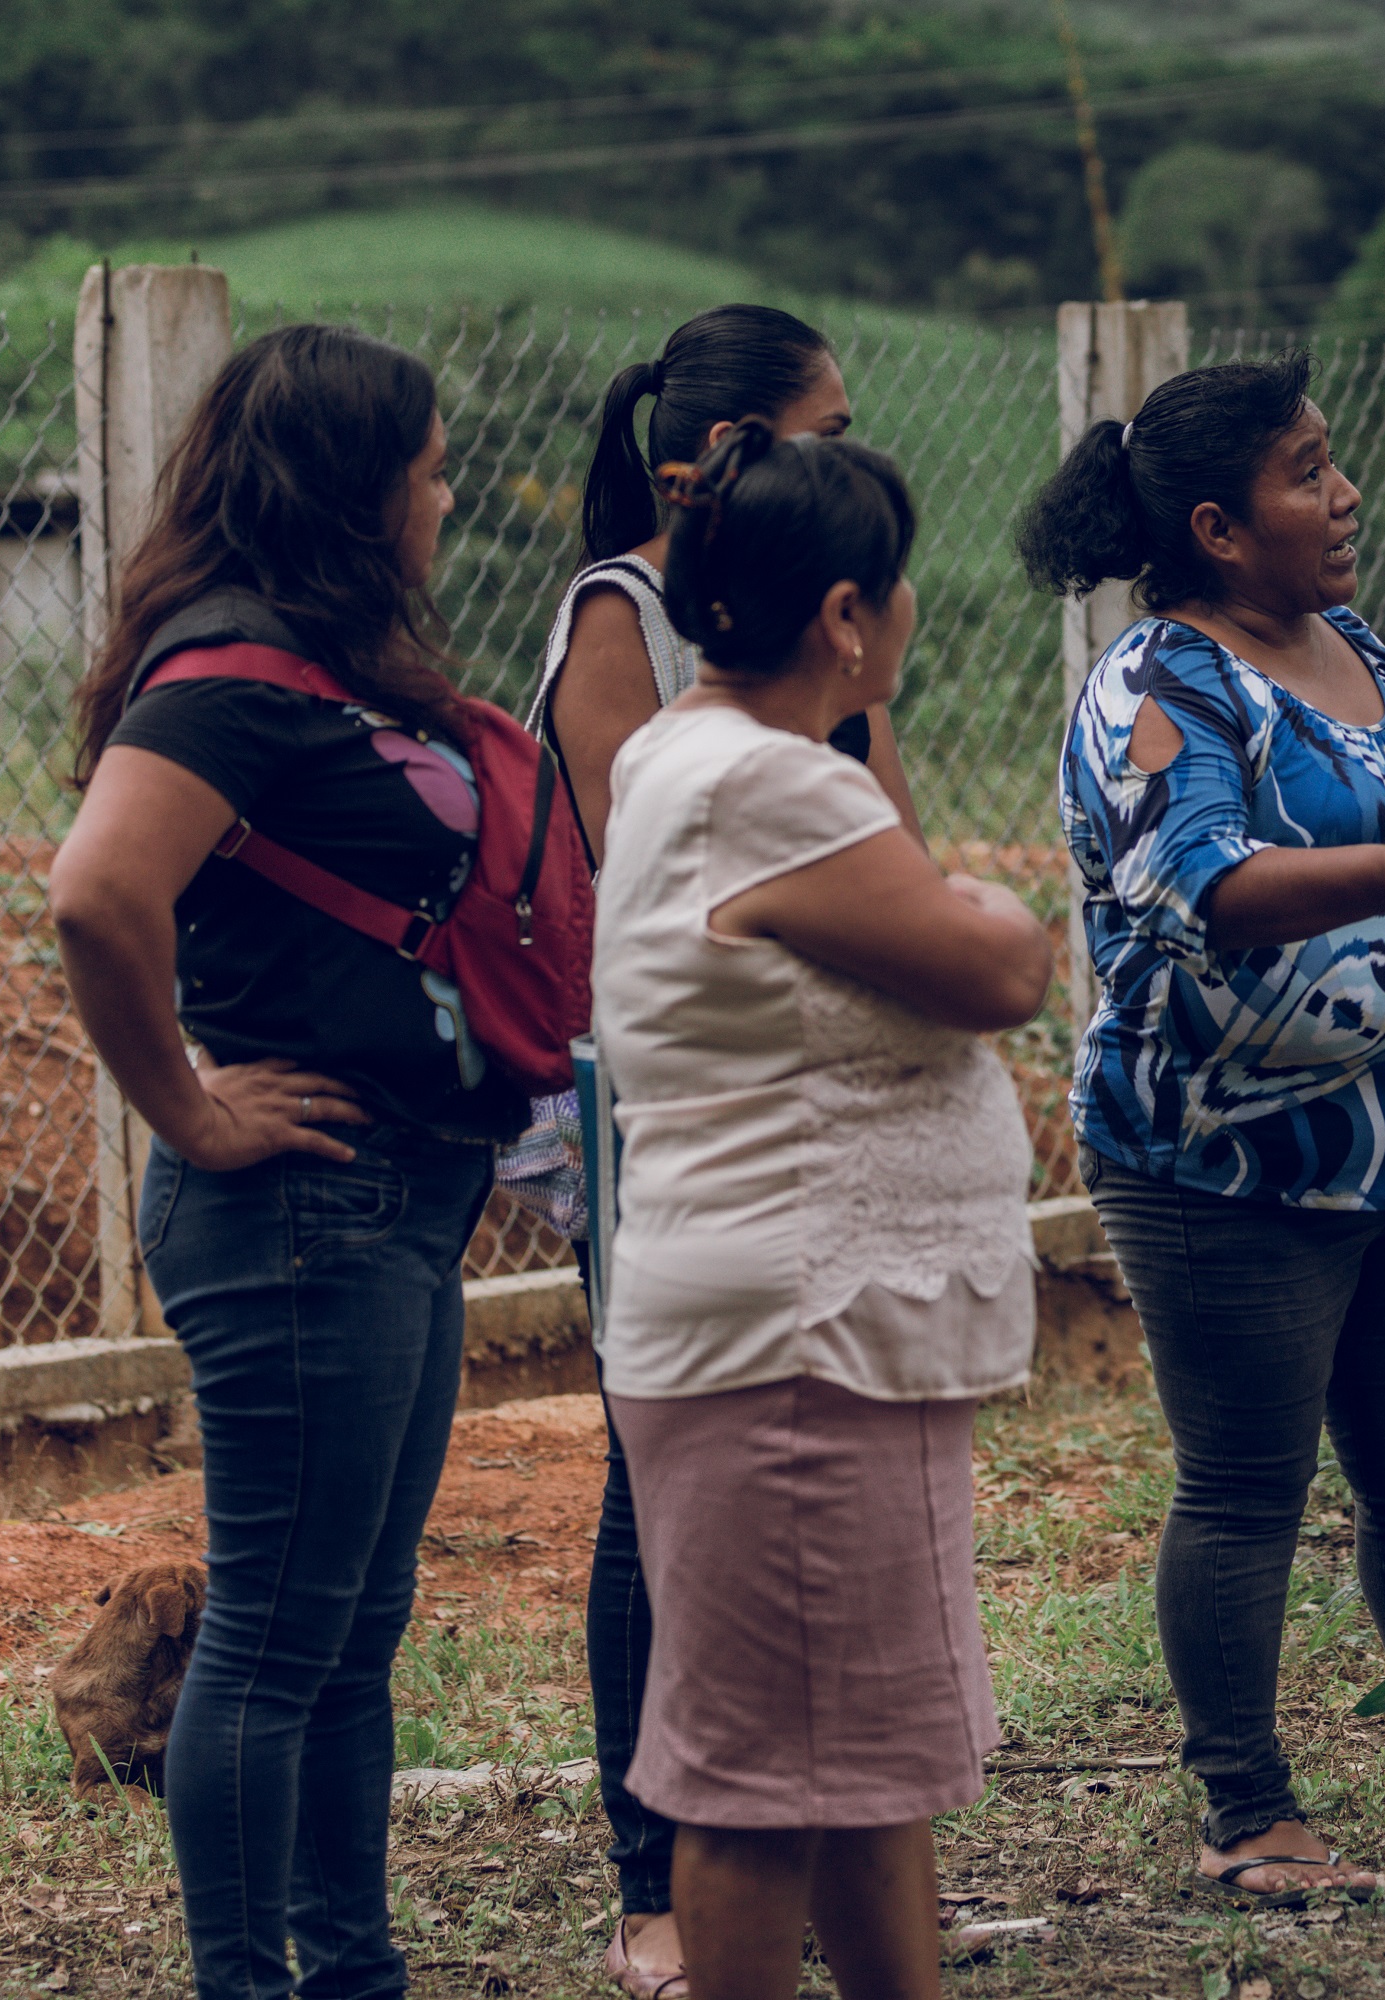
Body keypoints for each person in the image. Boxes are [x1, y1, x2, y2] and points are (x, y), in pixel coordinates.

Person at [1019, 352, 1385, 1904]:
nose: (1344, 495)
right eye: (1307, 472)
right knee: (1245, 1485)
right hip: (1220, 1162)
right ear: (1218, 525)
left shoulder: (1346, 641)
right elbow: (1198, 881)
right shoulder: (1161, 686)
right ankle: (1244, 1811)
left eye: (1335, 462)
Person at [50, 325, 515, 1998]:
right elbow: (98, 892)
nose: (447, 497)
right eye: (433, 467)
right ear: (359, 485)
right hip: (295, 1211)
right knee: (270, 1639)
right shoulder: (230, 668)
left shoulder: (316, 663)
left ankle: (350, 1971)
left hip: (390, 1199)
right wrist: (185, 1106)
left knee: (345, 1636)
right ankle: (264, 1982)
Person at [592, 421, 1052, 2000]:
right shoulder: (764, 788)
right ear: (849, 615)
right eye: (901, 593)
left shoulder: (688, 753)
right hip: (794, 1343)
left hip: (817, 1333)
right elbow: (999, 963)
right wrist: (992, 903)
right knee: (763, 1781)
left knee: (859, 1759)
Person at [508, 303, 924, 1998]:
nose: (846, 447)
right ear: (720, 456)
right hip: (673, 1112)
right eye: (820, 426)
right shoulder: (625, 615)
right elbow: (683, 887)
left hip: (819, 1106)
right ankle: (650, 1882)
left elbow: (889, 838)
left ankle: (823, 1860)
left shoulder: (826, 626)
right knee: (654, 1489)